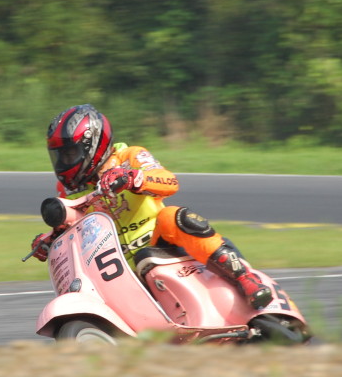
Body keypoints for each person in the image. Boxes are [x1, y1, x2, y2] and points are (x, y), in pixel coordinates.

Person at [29, 104, 273, 309]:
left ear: (92, 145)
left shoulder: (130, 156)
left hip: (158, 242)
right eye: (58, 156)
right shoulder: (67, 189)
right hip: (112, 265)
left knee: (173, 216)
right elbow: (69, 224)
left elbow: (169, 181)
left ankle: (245, 278)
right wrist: (50, 240)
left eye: (69, 154)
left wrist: (134, 178)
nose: (63, 163)